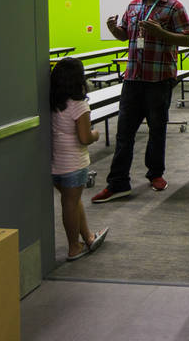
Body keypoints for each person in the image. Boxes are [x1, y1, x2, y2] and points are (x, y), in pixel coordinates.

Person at [92, 0, 189, 203]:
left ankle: (155, 174)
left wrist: (161, 33)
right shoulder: (134, 5)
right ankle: (118, 183)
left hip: (158, 79)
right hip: (133, 78)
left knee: (157, 130)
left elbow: (188, 38)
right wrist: (114, 30)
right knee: (124, 133)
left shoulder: (174, 6)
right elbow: (126, 34)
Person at [50, 57, 109, 260]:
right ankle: (74, 247)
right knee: (70, 204)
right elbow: (84, 138)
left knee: (73, 202)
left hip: (55, 164)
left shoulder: (52, 103)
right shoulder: (79, 105)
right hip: (74, 164)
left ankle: (88, 237)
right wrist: (96, 134)